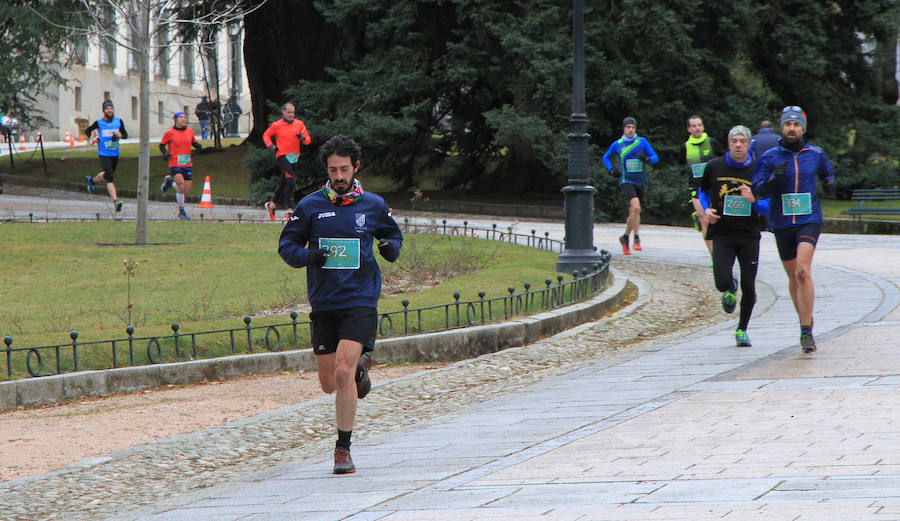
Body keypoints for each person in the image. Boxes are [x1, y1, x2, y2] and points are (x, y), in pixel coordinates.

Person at [278, 134, 403, 474]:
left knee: (343, 371)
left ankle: (342, 450)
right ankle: (362, 366)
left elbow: (393, 235)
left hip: (360, 298)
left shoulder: (373, 205)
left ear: (356, 167)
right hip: (324, 300)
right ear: (327, 170)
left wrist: (390, 248)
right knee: (329, 381)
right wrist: (310, 256)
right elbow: (286, 247)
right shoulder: (310, 206)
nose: (339, 176)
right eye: (333, 170)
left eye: (344, 169)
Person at [752, 106, 836, 353]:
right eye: (788, 124)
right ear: (782, 128)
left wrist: (830, 184)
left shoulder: (816, 154)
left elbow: (827, 173)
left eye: (796, 125)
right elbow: (757, 190)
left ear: (803, 128)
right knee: (792, 277)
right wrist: (773, 179)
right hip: (781, 222)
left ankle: (807, 330)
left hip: (809, 218)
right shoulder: (770, 157)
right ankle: (803, 322)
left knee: (802, 271)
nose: (791, 128)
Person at [699, 125, 769, 347]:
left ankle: (742, 330)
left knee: (750, 286)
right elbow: (702, 191)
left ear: (749, 145)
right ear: (728, 144)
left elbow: (768, 205)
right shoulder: (714, 166)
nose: (738, 145)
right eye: (734, 141)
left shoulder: (759, 170)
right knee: (721, 281)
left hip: (749, 235)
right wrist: (705, 210)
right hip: (722, 233)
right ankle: (730, 286)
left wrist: (754, 202)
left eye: (743, 141)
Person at [602, 116, 659, 255]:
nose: (631, 130)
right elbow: (606, 157)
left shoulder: (642, 142)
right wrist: (611, 169)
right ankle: (636, 238)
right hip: (625, 180)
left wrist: (647, 159)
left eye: (633, 127)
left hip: (640, 181)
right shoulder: (618, 144)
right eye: (628, 127)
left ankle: (625, 237)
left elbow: (655, 157)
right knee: (636, 207)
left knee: (634, 212)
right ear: (624, 129)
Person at [678, 115, 724, 260]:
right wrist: (683, 169)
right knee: (705, 219)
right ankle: (714, 257)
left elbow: (723, 158)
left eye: (699, 125)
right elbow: (679, 163)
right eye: (694, 125)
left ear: (703, 127)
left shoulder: (712, 142)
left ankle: (718, 248)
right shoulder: (685, 146)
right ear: (689, 129)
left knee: (715, 218)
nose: (697, 128)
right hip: (696, 187)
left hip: (713, 186)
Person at [263, 103, 312, 221]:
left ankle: (272, 204)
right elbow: (266, 135)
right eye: (289, 112)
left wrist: (303, 139)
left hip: (294, 156)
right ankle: (290, 210)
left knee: (285, 182)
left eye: (293, 112)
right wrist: (271, 146)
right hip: (282, 155)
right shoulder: (277, 125)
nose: (291, 114)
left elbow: (308, 140)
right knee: (291, 181)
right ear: (283, 112)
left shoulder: (299, 124)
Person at [85, 100, 127, 212]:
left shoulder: (119, 121)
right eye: (107, 109)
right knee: (110, 177)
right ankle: (116, 201)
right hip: (103, 153)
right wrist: (92, 138)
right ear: (104, 110)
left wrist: (120, 135)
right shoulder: (99, 122)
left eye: (111, 108)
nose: (109, 110)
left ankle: (92, 181)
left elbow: (125, 135)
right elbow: (88, 130)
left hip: (114, 154)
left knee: (108, 174)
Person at [159, 112, 203, 220]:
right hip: (174, 163)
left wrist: (197, 145)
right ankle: (182, 212)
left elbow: (193, 141)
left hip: (187, 163)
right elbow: (162, 145)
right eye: (181, 117)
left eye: (185, 117)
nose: (183, 119)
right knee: (181, 184)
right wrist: (165, 153)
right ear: (176, 120)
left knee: (185, 191)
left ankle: (170, 184)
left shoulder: (190, 131)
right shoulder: (170, 133)